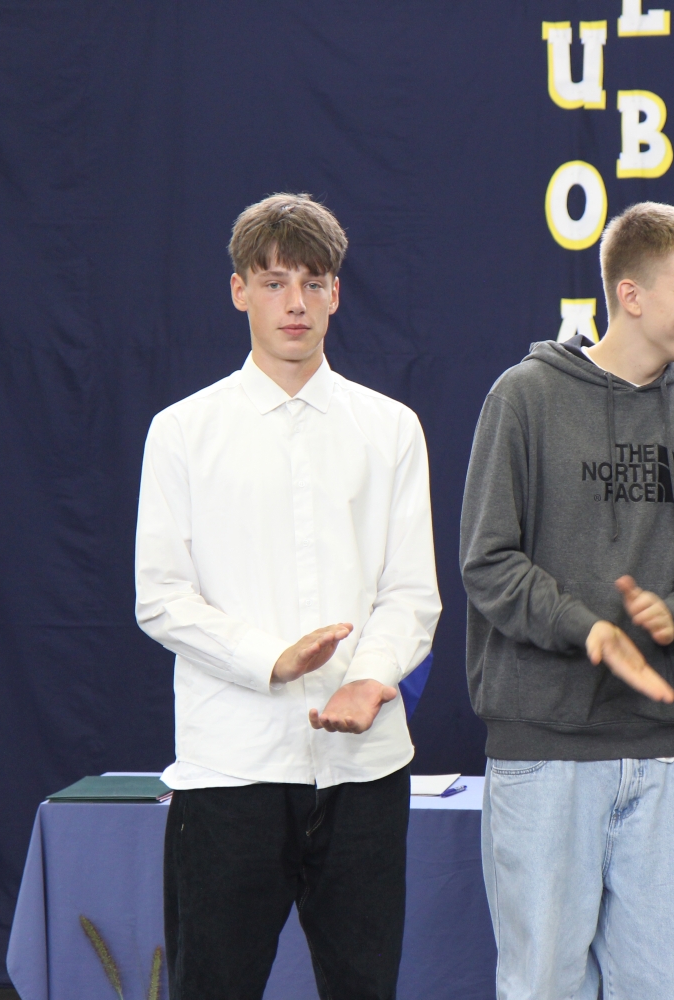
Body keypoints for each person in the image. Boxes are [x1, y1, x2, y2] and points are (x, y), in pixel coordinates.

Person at [135, 192, 441, 1000]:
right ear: (239, 290)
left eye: (312, 283)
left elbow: (412, 593)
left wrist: (368, 678)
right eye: (273, 283)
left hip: (365, 770)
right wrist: (273, 659)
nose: (294, 303)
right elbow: (160, 596)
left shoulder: (391, 428)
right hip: (231, 767)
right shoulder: (183, 431)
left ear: (337, 292)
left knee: (364, 988)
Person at [460, 202, 674, 1000]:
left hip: (670, 757)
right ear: (631, 295)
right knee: (543, 987)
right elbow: (487, 562)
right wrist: (588, 631)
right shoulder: (524, 397)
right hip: (543, 755)